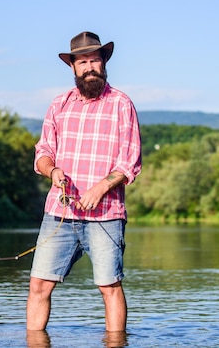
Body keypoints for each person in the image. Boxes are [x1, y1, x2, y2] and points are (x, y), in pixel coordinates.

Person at [26, 31, 142, 332]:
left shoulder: (121, 104)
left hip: (106, 216)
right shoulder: (59, 105)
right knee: (39, 285)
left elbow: (129, 162)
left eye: (95, 60)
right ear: (73, 67)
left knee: (109, 287)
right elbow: (43, 152)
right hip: (60, 215)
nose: (90, 67)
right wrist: (53, 171)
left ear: (103, 63)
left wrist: (100, 188)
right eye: (83, 62)